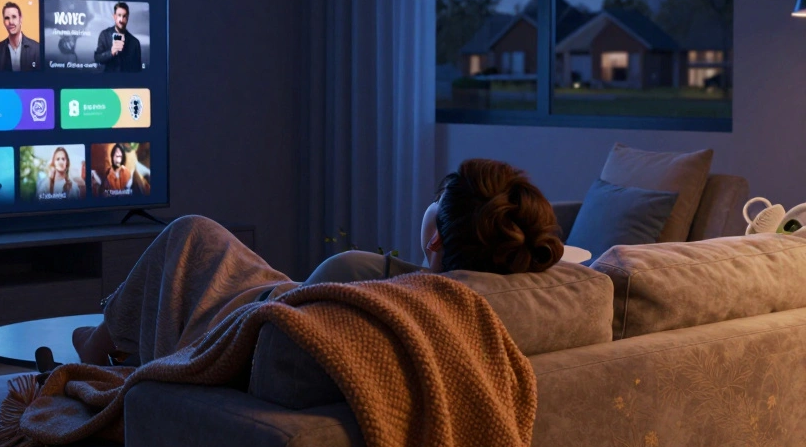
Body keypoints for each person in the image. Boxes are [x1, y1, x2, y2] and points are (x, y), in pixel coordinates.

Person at [74, 158, 564, 364]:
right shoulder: (497, 303)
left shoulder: (359, 273)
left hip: (252, 321)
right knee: (208, 252)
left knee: (190, 232)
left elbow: (284, 305)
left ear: (435, 239)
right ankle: (116, 335)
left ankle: (94, 352)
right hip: (281, 302)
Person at [0, 2, 41, 72]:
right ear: (3, 22)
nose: (11, 22)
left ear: (20, 19)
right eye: (7, 18)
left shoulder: (36, 48)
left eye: (14, 17)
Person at [93, 2, 142, 72]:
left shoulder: (135, 42)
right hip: (108, 81)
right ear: (114, 16)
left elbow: (138, 70)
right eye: (119, 15)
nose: (121, 20)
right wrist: (111, 52)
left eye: (124, 16)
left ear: (127, 18)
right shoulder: (104, 35)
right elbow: (97, 58)